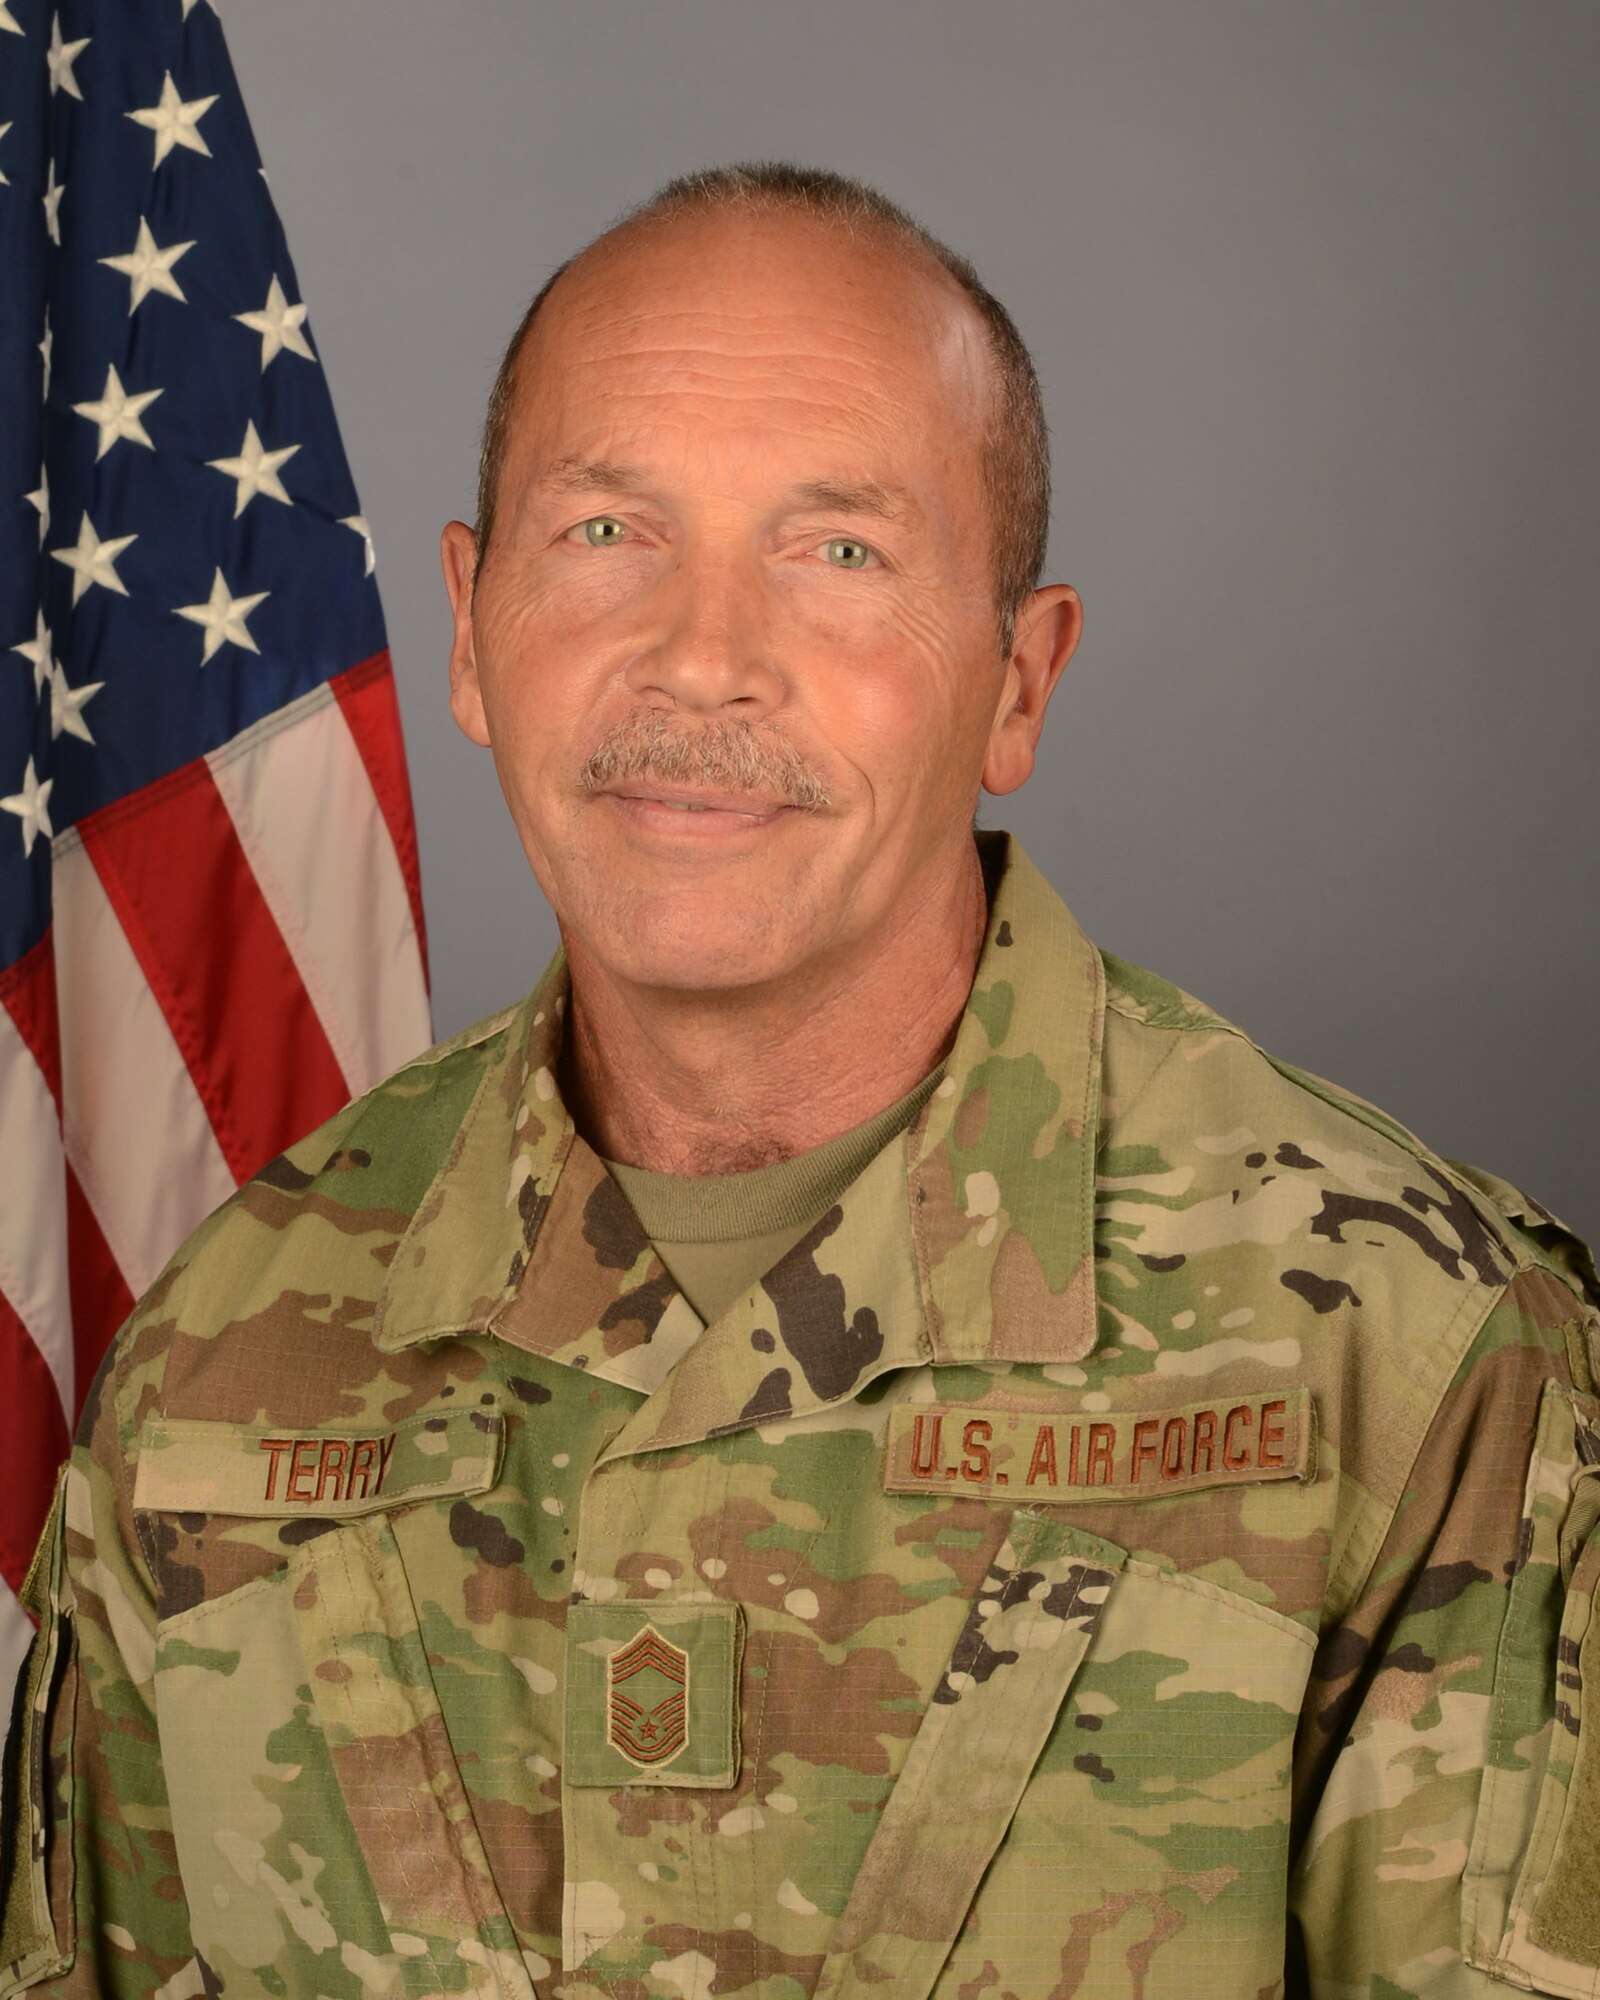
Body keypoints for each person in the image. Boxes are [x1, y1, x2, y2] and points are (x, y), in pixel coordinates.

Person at [3, 162, 1597, 2000]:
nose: (701, 654)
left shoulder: (1415, 1366)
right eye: (608, 533)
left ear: (1020, 678)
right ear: (467, 622)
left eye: (839, 552)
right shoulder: (224, 1357)